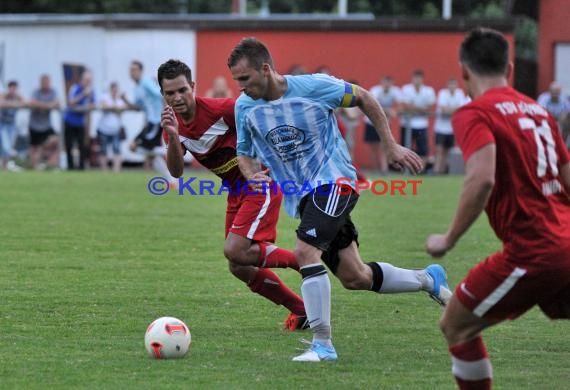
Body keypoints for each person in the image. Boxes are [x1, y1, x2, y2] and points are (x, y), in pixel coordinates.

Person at [228, 37, 451, 362]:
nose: (241, 88)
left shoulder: (316, 87)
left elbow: (363, 97)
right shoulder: (244, 107)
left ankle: (323, 344)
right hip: (304, 196)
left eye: (245, 79)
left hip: (336, 181)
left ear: (265, 69)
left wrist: (390, 146)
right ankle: (428, 279)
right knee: (355, 277)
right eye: (237, 81)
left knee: (305, 251)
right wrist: (250, 174)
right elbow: (244, 153)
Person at [425, 28, 570, 390]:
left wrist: (448, 238)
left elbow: (481, 178)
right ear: (509, 67)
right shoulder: (538, 110)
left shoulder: (475, 113)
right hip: (565, 239)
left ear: (463, 72)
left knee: (456, 323)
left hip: (535, 250)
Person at [157, 59, 308, 332]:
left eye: (182, 90)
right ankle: (301, 310)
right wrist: (173, 135)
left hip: (260, 182)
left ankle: (303, 260)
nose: (177, 98)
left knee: (235, 249)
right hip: (236, 192)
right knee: (238, 266)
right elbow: (176, 172)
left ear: (192, 86)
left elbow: (266, 119)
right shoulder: (172, 124)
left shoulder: (223, 109)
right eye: (170, 93)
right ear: (163, 94)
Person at [122, 60, 175, 184]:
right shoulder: (137, 88)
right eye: (130, 70)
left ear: (140, 71)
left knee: (134, 146)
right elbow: (137, 108)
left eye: (134, 70)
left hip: (156, 121)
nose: (132, 72)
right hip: (150, 122)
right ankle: (172, 181)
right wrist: (124, 100)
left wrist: (166, 114)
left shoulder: (146, 83)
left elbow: (161, 95)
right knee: (152, 155)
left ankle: (175, 150)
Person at [400, 69, 436, 168]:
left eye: (419, 78)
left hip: (422, 124)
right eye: (415, 78)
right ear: (412, 79)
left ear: (422, 79)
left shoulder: (428, 91)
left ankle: (420, 170)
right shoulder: (406, 89)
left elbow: (429, 108)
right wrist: (420, 108)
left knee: (422, 149)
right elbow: (405, 106)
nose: (417, 80)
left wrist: (414, 107)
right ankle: (406, 170)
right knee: (406, 149)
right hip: (407, 124)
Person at [433, 78, 469, 174]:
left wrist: (451, 110)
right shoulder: (442, 93)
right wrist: (454, 110)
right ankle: (436, 171)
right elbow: (444, 109)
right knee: (439, 151)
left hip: (452, 128)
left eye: (454, 85)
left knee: (449, 152)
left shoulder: (459, 93)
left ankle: (445, 171)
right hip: (441, 128)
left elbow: (461, 108)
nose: (452, 87)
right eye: (450, 84)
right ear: (448, 85)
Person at [366, 75, 401, 173]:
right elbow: (373, 106)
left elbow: (400, 105)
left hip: (384, 123)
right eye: (385, 82)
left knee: (384, 145)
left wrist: (394, 111)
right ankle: (374, 168)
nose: (387, 85)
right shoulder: (375, 91)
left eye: (389, 83)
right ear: (381, 83)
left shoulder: (395, 91)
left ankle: (384, 169)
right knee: (373, 147)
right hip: (371, 121)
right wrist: (388, 111)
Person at [63, 70, 96, 170]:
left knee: (82, 145)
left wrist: (89, 98)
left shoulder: (91, 91)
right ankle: (70, 167)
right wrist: (83, 94)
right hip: (69, 121)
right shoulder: (75, 88)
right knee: (69, 145)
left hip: (81, 122)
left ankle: (81, 167)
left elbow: (93, 105)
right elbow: (70, 102)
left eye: (89, 80)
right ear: (82, 80)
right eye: (86, 80)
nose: (88, 82)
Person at [28, 74, 61, 170]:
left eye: (47, 82)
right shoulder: (36, 92)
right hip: (34, 125)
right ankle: (34, 169)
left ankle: (48, 164)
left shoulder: (53, 92)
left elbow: (57, 102)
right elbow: (32, 102)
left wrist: (42, 106)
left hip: (46, 126)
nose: (46, 84)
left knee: (55, 140)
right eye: (44, 82)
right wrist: (47, 106)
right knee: (33, 148)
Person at [97, 82, 125, 172]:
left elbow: (122, 109)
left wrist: (111, 107)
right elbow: (102, 106)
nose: (115, 91)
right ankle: (104, 170)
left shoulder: (120, 100)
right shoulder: (105, 97)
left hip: (115, 129)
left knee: (117, 149)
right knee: (103, 149)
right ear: (110, 89)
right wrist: (114, 107)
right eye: (113, 90)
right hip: (103, 128)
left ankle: (116, 170)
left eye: (116, 90)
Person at [0, 80, 25, 170]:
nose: (13, 90)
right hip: (2, 124)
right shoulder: (4, 95)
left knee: (8, 145)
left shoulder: (17, 97)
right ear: (8, 88)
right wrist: (14, 104)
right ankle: (14, 157)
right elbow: (1, 103)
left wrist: (15, 102)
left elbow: (24, 103)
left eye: (15, 89)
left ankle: (4, 167)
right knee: (6, 145)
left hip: (12, 124)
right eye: (11, 88)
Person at [537, 81, 570, 149]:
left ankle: (563, 146)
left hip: (561, 122)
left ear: (560, 92)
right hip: (546, 121)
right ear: (549, 92)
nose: (555, 94)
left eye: (557, 92)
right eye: (553, 92)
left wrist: (565, 115)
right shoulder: (543, 98)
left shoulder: (564, 100)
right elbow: (540, 110)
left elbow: (567, 112)